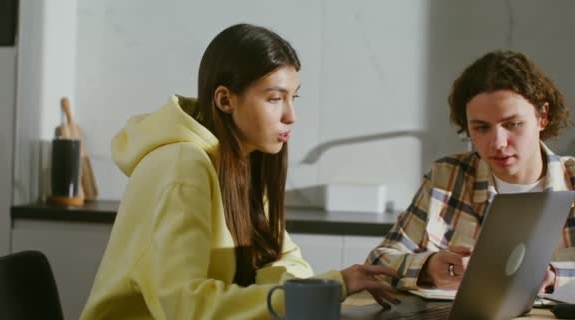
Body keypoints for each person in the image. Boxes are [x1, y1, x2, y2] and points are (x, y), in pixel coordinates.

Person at [80, 23, 399, 320]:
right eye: (275, 98)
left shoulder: (242, 161)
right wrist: (331, 287)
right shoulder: (182, 166)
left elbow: (282, 261)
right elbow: (187, 307)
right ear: (225, 100)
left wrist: (328, 286)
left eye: (293, 97)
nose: (291, 116)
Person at [367, 50, 575, 293]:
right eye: (481, 128)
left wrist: (554, 276)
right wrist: (427, 267)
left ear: (543, 117)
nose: (497, 143)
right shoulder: (449, 176)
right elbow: (377, 264)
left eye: (513, 124)